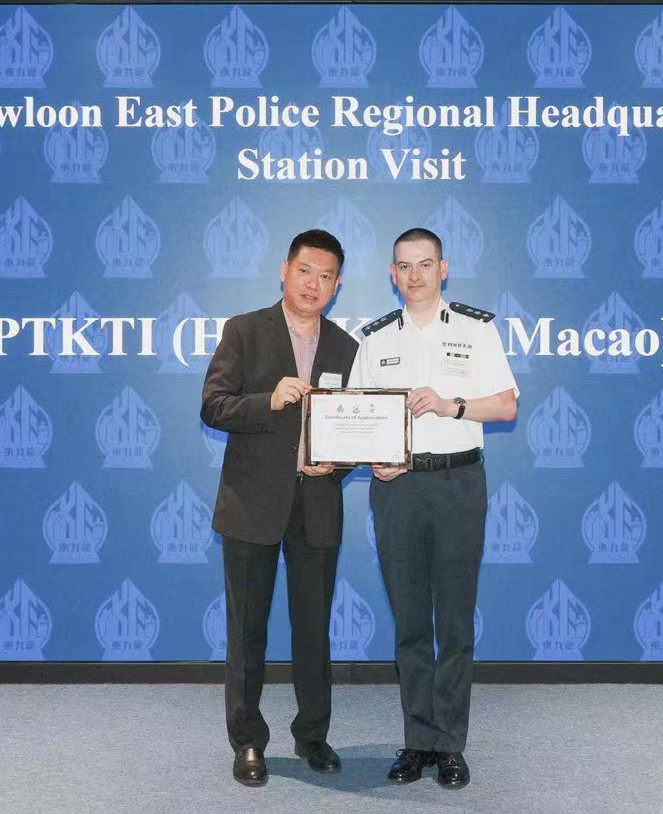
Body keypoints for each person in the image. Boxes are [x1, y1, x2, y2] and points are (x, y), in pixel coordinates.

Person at [348, 227, 518, 789]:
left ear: (443, 269)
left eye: (425, 264)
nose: (415, 275)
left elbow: (507, 405)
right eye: (404, 265)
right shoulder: (374, 339)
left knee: (456, 621)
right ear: (392, 274)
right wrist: (372, 459)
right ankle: (417, 741)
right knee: (411, 622)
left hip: (457, 483)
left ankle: (450, 745)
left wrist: (453, 405)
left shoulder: (477, 329)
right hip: (397, 489)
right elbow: (355, 415)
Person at [200, 229, 359, 787]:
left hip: (316, 505)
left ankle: (313, 735)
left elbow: (359, 427)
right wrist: (266, 401)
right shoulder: (244, 331)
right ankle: (248, 740)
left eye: (326, 275)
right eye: (305, 271)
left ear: (337, 284)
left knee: (314, 630)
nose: (313, 284)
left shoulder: (347, 347)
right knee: (248, 631)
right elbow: (213, 406)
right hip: (252, 505)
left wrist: (336, 464)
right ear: (284, 270)